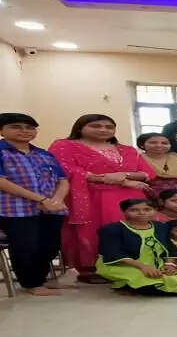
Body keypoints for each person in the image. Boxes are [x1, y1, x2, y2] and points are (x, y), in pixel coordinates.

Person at [50, 114, 156, 283]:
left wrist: (124, 176)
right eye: (96, 126)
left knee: (133, 229)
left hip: (130, 196)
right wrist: (104, 178)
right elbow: (64, 169)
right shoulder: (64, 145)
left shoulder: (127, 149)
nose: (103, 129)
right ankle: (92, 269)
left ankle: (136, 265)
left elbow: (148, 173)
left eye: (108, 127)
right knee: (96, 231)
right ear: (80, 127)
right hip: (91, 196)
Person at [0, 112, 71, 296]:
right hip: (15, 210)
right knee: (26, 246)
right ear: (2, 130)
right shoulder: (2, 151)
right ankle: (31, 283)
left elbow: (62, 180)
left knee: (50, 244)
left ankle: (41, 278)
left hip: (51, 208)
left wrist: (57, 200)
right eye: (16, 127)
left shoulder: (44, 154)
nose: (24, 131)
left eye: (29, 127)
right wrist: (41, 199)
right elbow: (2, 181)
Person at [95, 198, 177, 295]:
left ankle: (130, 285)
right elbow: (113, 253)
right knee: (144, 280)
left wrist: (169, 265)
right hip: (121, 264)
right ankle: (125, 283)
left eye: (147, 209)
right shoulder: (112, 229)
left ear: (155, 211)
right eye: (134, 210)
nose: (141, 213)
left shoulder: (160, 227)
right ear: (124, 211)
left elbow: (170, 247)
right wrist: (142, 266)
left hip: (156, 265)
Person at [137, 132, 177, 200]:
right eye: (153, 143)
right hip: (147, 201)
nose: (159, 145)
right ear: (142, 145)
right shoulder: (137, 160)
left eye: (164, 143)